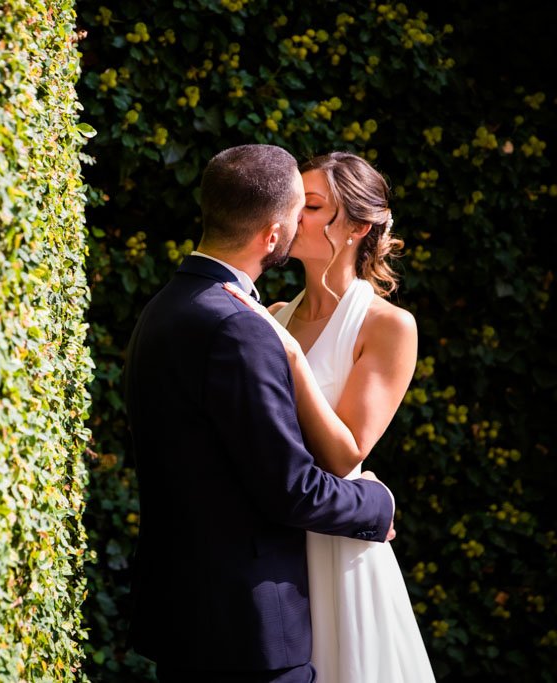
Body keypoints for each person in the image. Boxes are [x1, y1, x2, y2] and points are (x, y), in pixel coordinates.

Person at [124, 144, 396, 683]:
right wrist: (377, 503)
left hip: (188, 610)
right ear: (272, 235)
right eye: (300, 213)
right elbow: (289, 486)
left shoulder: (165, 306)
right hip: (247, 623)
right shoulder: (241, 324)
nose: (301, 226)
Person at [225, 151, 435, 681]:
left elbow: (346, 454)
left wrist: (291, 355)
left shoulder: (389, 327)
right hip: (277, 553)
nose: (294, 215)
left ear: (359, 226)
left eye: (313, 205)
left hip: (341, 553)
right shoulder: (274, 315)